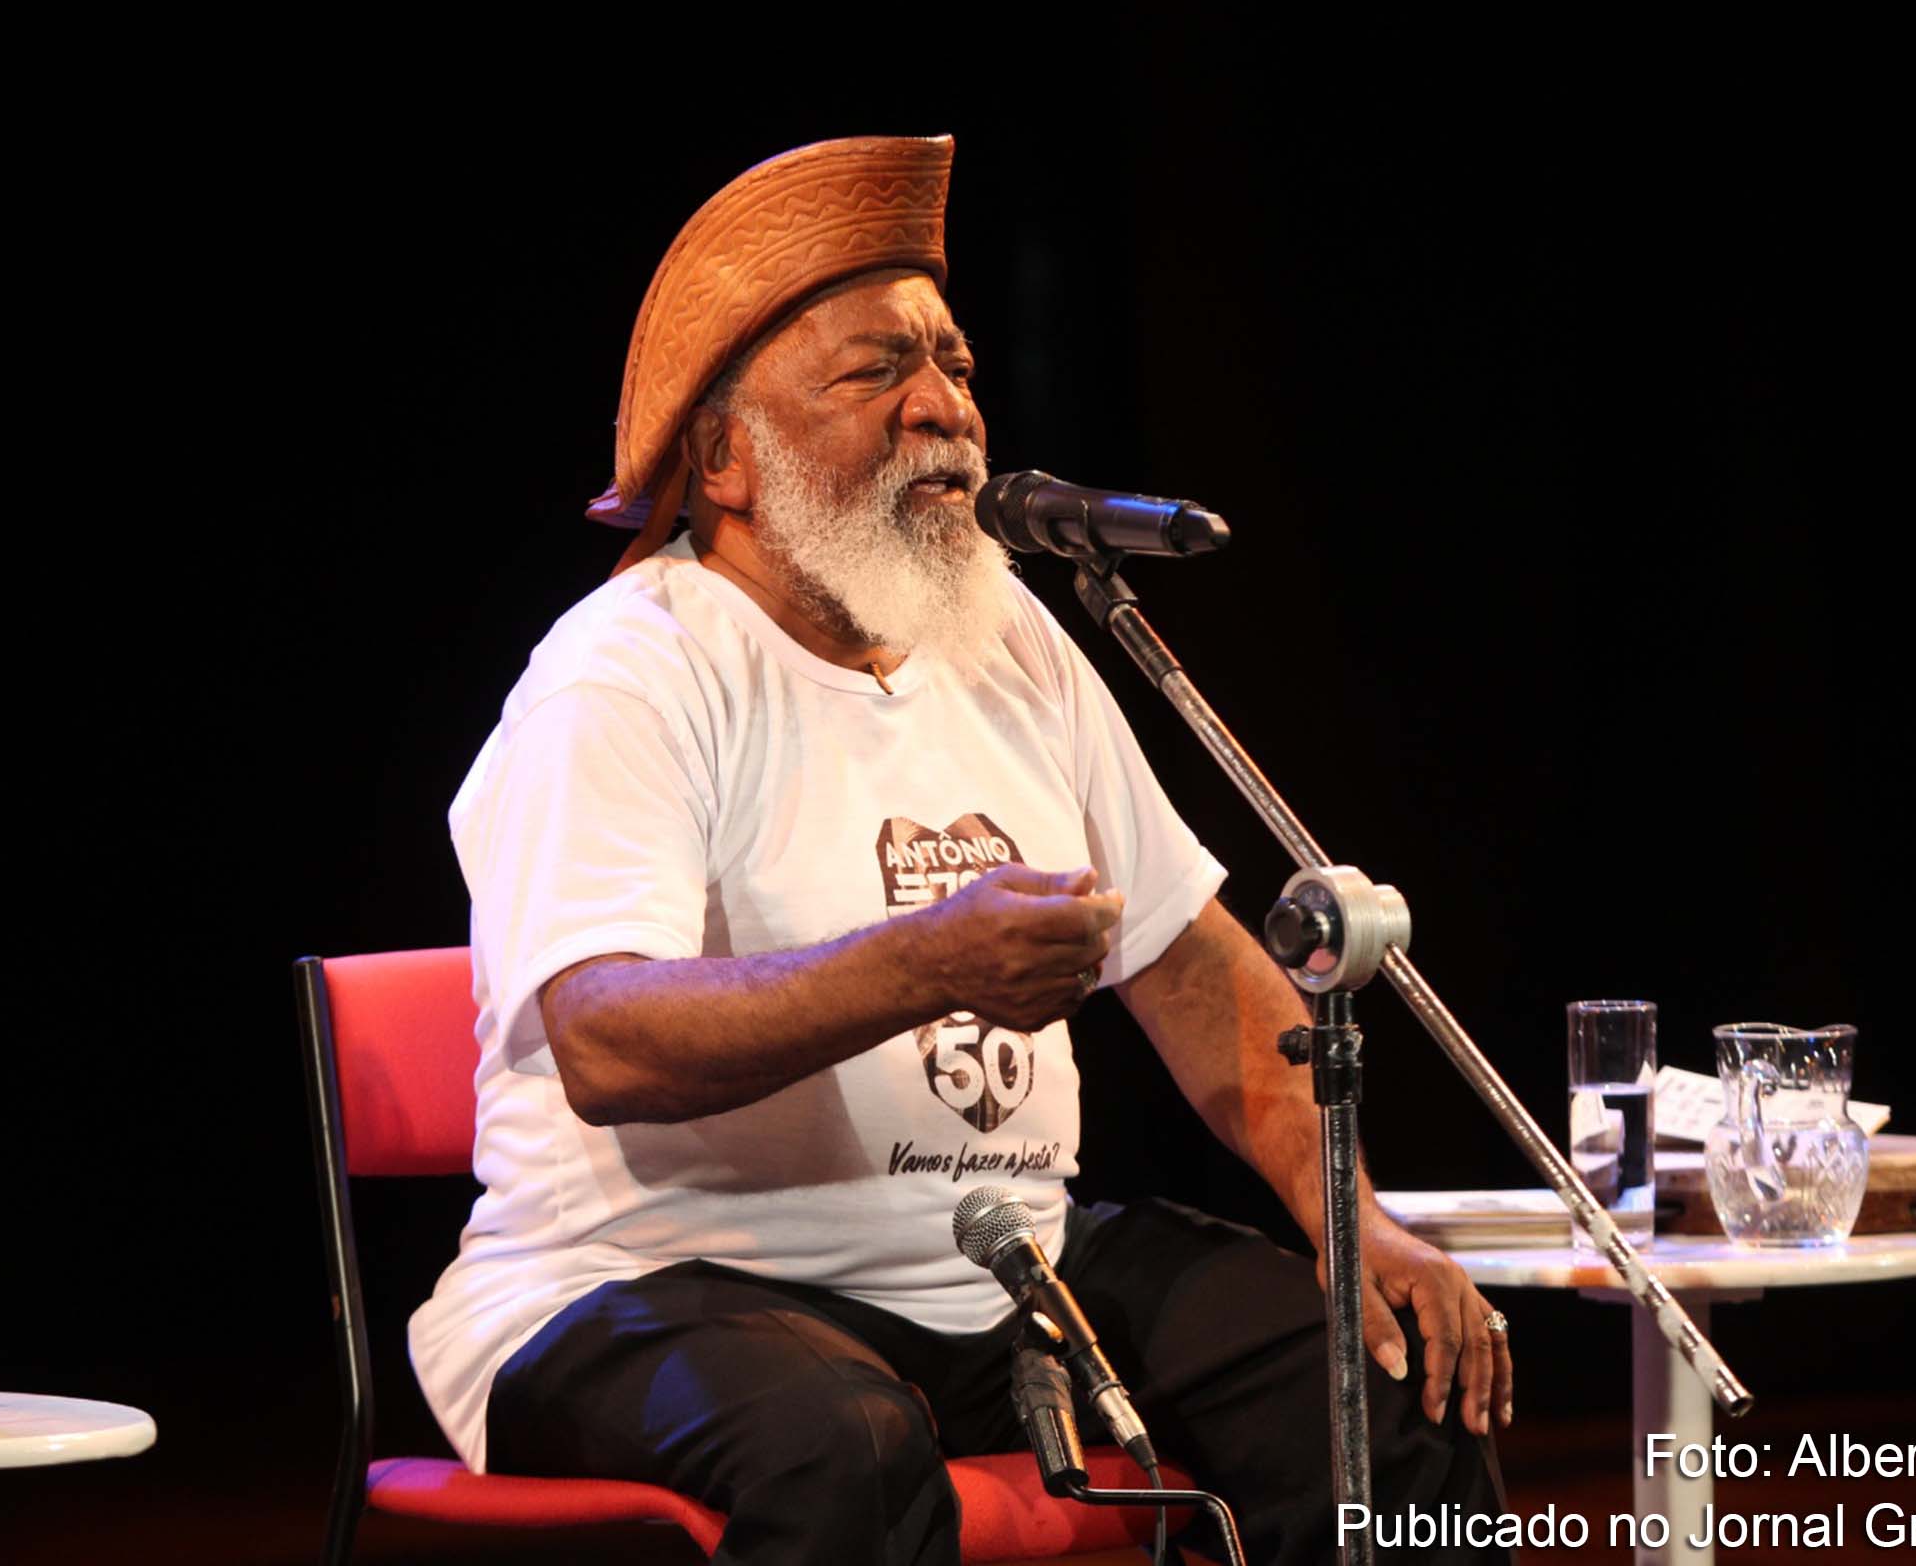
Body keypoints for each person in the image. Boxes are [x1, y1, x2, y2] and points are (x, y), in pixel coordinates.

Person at [411, 135, 1515, 1563]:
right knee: (843, 1448)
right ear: (720, 456)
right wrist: (925, 962)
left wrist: (1357, 1227)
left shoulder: (1005, 634)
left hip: (997, 1276)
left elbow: (1192, 969)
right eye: (876, 372)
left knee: (1379, 1382)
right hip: (643, 1288)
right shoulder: (629, 674)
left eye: (955, 365)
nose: (944, 410)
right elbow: (607, 1042)